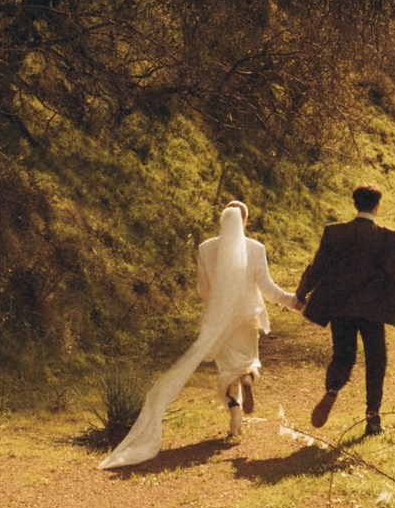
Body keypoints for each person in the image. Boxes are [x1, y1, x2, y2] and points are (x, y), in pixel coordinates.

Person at [100, 201, 299, 469]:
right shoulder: (255, 248)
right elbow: (267, 286)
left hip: (219, 321)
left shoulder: (206, 249)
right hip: (246, 317)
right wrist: (291, 300)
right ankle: (249, 378)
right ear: (245, 222)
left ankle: (235, 413)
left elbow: (203, 290)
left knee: (227, 370)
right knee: (246, 362)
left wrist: (219, 298)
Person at [296, 184, 395, 437]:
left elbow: (317, 267)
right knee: (376, 361)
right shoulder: (387, 238)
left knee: (343, 355)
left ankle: (334, 388)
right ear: (377, 206)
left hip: (340, 309)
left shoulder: (334, 233)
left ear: (354, 205)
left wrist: (301, 294)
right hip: (372, 311)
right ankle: (372, 418)